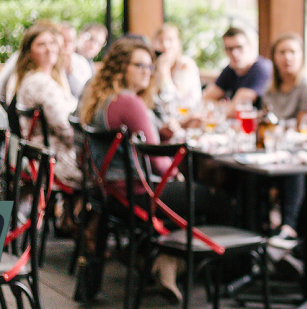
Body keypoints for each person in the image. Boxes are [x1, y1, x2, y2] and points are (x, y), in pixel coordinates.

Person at [79, 37, 232, 304]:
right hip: (141, 194)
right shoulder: (130, 102)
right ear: (120, 67)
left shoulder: (102, 99)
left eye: (150, 67)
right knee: (221, 200)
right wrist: (178, 172)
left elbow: (132, 143)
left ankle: (165, 259)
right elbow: (159, 163)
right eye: (139, 66)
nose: (147, 72)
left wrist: (162, 132)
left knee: (197, 193)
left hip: (111, 196)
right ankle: (223, 275)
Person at [263, 32, 307, 245]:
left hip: (302, 155)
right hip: (273, 154)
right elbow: (264, 125)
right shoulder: (270, 90)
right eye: (282, 52)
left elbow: (304, 129)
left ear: (302, 56)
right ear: (274, 57)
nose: (287, 57)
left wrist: (277, 129)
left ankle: (288, 228)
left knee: (294, 167)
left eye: (292, 52)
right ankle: (257, 229)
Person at [13, 21, 81, 188]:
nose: (49, 48)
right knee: (106, 175)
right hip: (52, 159)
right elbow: (65, 128)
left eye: (52, 43)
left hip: (43, 155)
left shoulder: (43, 78)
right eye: (41, 45)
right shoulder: (39, 83)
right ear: (29, 52)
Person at [203, 27, 273, 112]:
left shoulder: (261, 68)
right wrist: (226, 106)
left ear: (250, 46)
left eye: (239, 47)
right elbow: (205, 100)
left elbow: (235, 110)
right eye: (229, 49)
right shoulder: (230, 69)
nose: (234, 53)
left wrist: (222, 106)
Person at [152, 24, 202, 115]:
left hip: (188, 117)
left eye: (170, 40)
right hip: (164, 115)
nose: (165, 45)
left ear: (178, 43)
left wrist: (164, 72)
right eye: (160, 41)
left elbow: (176, 102)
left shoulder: (185, 64)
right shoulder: (155, 65)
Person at [58, 22, 93, 99]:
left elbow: (86, 93)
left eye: (70, 41)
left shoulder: (81, 62)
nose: (66, 45)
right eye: (63, 40)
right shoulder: (48, 62)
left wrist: (70, 70)